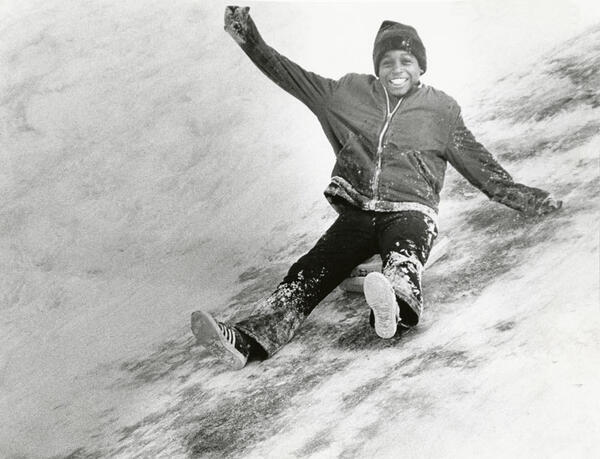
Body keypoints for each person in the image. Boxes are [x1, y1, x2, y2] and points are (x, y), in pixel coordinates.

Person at [190, 6, 562, 370]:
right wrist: (249, 38)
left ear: (420, 67)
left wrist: (529, 199)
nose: (397, 69)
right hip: (359, 212)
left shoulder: (441, 111)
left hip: (412, 211)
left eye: (406, 61)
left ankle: (392, 312)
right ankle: (250, 342)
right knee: (307, 272)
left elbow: (480, 165)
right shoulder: (348, 94)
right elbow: (291, 76)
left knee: (404, 260)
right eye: (388, 63)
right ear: (377, 68)